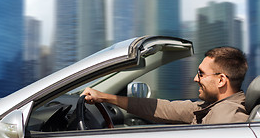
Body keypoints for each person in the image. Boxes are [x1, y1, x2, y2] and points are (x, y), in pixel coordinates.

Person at [81, 46, 249, 124]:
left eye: (201, 74)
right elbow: (163, 108)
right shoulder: (211, 107)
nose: (195, 79)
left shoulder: (228, 116)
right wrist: (104, 97)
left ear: (221, 80)